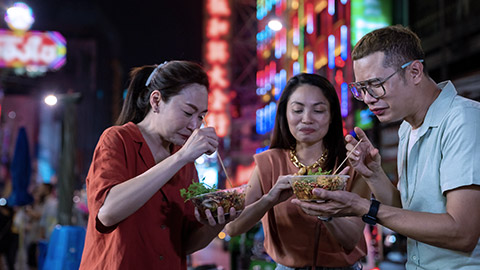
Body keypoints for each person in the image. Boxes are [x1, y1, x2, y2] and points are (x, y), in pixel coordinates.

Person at [292, 25, 480, 269]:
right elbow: (407, 214)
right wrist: (375, 175)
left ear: (414, 72)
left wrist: (364, 207)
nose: (368, 98)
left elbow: (462, 233)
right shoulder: (407, 128)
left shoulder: (463, 120)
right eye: (361, 88)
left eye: (376, 84)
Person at [79, 60, 239, 270]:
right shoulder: (118, 139)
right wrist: (180, 158)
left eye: (201, 116)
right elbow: (107, 213)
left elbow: (185, 243)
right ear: (156, 101)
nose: (194, 125)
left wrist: (218, 222)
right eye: (188, 112)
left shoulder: (185, 160)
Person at [226, 73, 370, 270]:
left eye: (318, 110)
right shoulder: (268, 162)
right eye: (297, 110)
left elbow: (350, 239)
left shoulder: (352, 162)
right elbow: (233, 227)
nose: (307, 119)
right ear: (285, 114)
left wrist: (325, 211)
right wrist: (269, 200)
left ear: (331, 117)